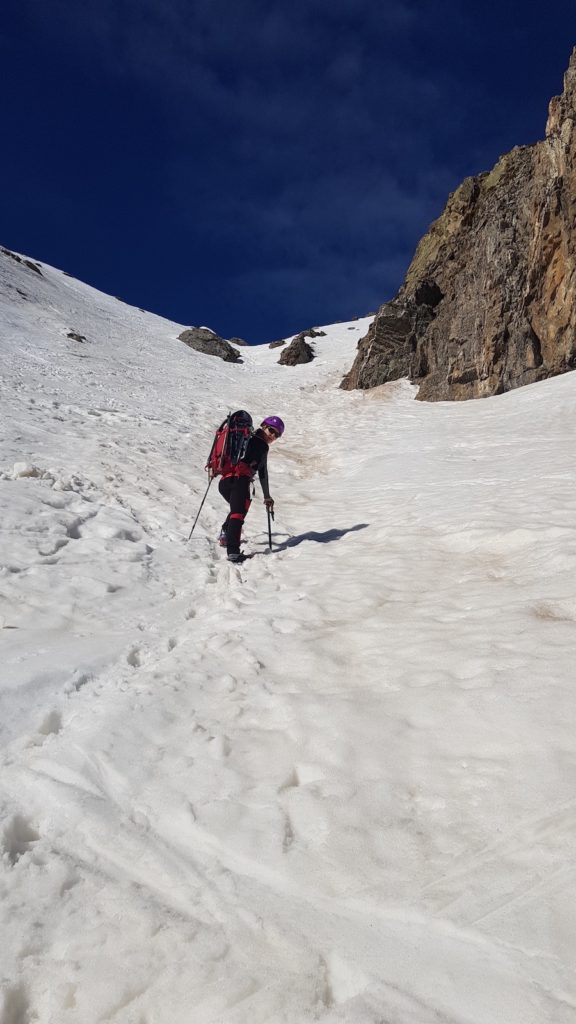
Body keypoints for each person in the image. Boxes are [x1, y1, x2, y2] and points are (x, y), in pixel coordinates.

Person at [218, 416, 285, 562]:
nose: (272, 435)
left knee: (239, 509)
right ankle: (233, 551)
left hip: (224, 482)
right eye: (271, 430)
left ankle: (226, 533)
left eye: (277, 434)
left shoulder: (243, 438)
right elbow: (263, 473)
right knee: (238, 513)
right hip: (240, 481)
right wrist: (267, 496)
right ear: (263, 426)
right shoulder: (262, 445)